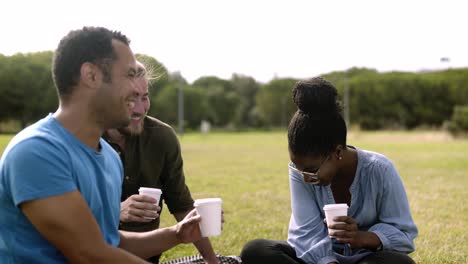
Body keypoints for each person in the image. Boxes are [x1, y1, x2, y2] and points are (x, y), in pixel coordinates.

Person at [0, 26, 205, 263]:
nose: (136, 88)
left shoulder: (108, 157)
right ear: (92, 76)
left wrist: (176, 234)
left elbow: (110, 243)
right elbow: (90, 254)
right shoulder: (36, 152)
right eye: (129, 75)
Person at [240, 77, 418, 264]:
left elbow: (404, 234)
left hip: (365, 258)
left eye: (311, 170)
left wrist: (360, 237)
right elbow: (307, 232)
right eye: (299, 170)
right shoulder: (300, 173)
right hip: (316, 259)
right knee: (256, 251)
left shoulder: (380, 170)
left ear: (338, 152)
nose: (305, 178)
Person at [103, 61, 220, 263]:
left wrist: (212, 261)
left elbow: (181, 205)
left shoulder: (161, 137)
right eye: (131, 99)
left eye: (144, 97)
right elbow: (68, 224)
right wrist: (116, 211)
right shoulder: (83, 141)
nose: (140, 109)